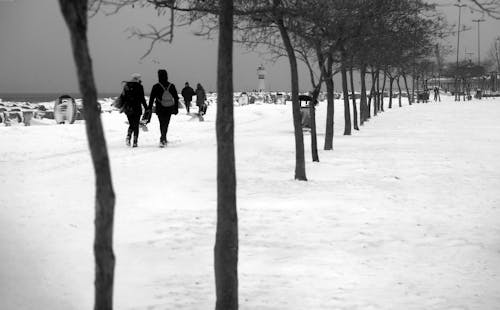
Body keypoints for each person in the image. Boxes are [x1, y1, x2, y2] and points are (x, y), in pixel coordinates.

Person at [147, 69, 179, 147]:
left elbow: (151, 99)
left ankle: (163, 138)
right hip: (169, 107)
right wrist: (176, 108)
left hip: (160, 108)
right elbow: (176, 97)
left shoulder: (156, 86)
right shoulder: (171, 86)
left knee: (161, 123)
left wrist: (149, 109)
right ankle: (163, 137)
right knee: (166, 123)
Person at [121, 73, 147, 147]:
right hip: (137, 108)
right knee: (136, 125)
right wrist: (146, 107)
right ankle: (135, 142)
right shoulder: (140, 86)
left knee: (132, 124)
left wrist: (122, 107)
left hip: (128, 108)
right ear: (138, 79)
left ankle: (128, 136)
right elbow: (142, 98)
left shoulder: (126, 86)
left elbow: (123, 97)